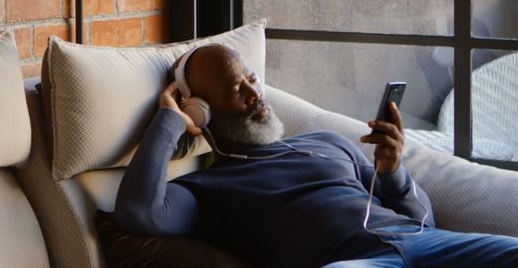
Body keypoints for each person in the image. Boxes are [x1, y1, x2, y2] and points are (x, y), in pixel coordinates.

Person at [113, 43, 518, 268]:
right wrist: (168, 123)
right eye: (236, 90)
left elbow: (421, 222)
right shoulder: (206, 188)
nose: (256, 94)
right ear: (201, 110)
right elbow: (139, 213)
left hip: (427, 244)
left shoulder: (328, 142)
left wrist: (393, 173)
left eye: (252, 79)